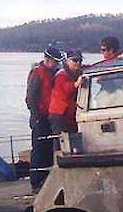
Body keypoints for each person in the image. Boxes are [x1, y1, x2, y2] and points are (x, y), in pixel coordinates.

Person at [26, 46, 63, 192]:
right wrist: (36, 116)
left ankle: (46, 178)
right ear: (48, 59)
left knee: (48, 148)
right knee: (39, 149)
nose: (56, 64)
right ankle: (35, 181)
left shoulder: (54, 72)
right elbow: (31, 97)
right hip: (39, 117)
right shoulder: (37, 74)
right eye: (55, 61)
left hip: (50, 116)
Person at [48, 50, 84, 135]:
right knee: (60, 140)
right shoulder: (61, 75)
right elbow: (65, 91)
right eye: (74, 60)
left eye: (80, 60)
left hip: (70, 114)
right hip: (59, 114)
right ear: (67, 61)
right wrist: (76, 84)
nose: (78, 63)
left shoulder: (77, 72)